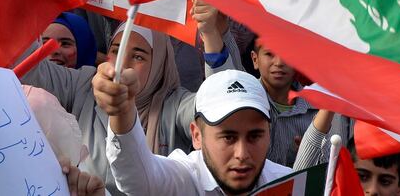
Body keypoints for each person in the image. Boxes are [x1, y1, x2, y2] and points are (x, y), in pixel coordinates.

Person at [21, 14, 240, 195]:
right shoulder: (85, 85)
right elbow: (30, 72)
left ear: (159, 63)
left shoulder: (175, 105)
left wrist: (211, 36)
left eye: (138, 56)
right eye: (116, 51)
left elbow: (222, 108)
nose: (122, 64)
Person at [97, 68, 292, 195]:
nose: (242, 154)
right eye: (228, 137)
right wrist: (123, 111)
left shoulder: (292, 184)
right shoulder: (183, 179)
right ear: (197, 136)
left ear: (269, 133)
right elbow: (138, 179)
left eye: (255, 136)